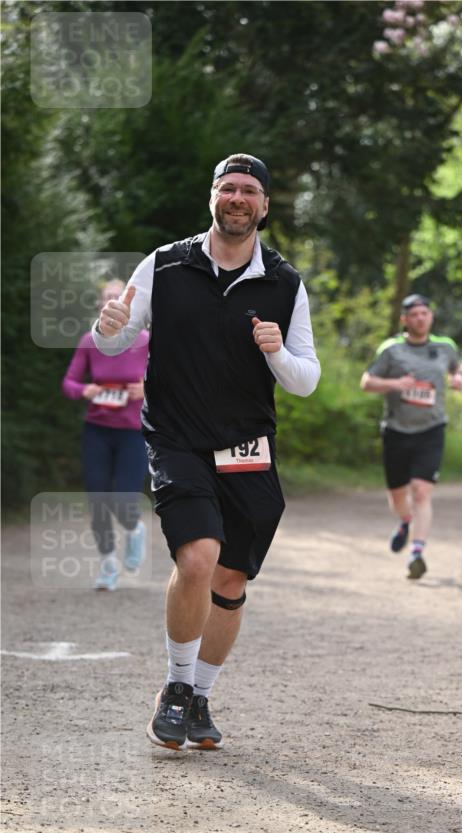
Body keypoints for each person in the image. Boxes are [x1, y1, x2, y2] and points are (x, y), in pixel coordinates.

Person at [93, 153, 320, 752]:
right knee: (196, 558)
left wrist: (275, 351)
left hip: (247, 446)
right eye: (228, 188)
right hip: (176, 438)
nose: (238, 198)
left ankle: (200, 696)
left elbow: (305, 379)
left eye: (249, 190)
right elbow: (111, 341)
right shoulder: (166, 265)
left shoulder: (286, 284)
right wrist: (109, 324)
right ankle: (173, 688)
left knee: (231, 577)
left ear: (265, 205)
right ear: (213, 197)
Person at [360, 294, 462, 580]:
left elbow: (457, 366)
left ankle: (416, 552)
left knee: (421, 491)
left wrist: (459, 378)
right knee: (397, 495)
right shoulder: (391, 350)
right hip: (396, 430)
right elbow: (366, 382)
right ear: (404, 319)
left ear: (431, 317)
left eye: (425, 313)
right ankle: (405, 522)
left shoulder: (445, 347)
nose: (420, 318)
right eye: (414, 314)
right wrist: (395, 383)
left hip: (432, 429)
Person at [62, 279, 149, 591]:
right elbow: (69, 383)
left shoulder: (146, 340)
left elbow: (171, 383)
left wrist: (146, 388)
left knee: (123, 498)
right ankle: (108, 566)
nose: (113, 301)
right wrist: (86, 389)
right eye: (107, 297)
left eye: (118, 296)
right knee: (98, 500)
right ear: (101, 306)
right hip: (97, 430)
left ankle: (134, 529)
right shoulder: (89, 341)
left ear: (128, 306)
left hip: (133, 433)